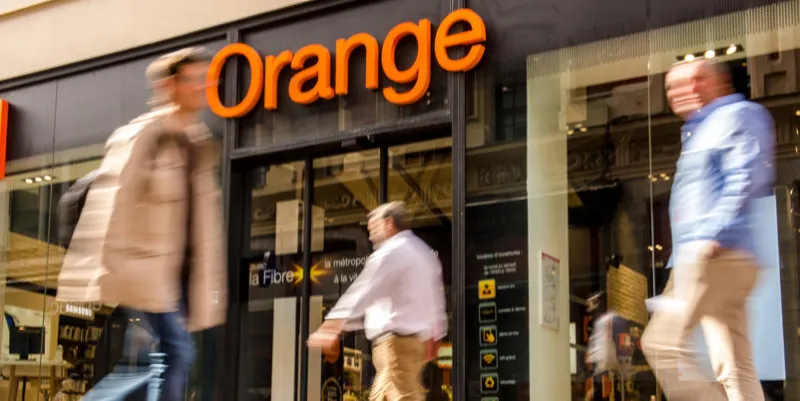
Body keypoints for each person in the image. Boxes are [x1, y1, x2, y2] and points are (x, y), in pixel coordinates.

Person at [56, 47, 227, 401]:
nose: (202, 87)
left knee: (164, 358)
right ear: (170, 85)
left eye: (205, 79)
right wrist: (108, 269)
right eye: (192, 79)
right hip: (145, 268)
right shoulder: (143, 135)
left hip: (179, 276)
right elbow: (111, 207)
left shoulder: (199, 142)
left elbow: (205, 229)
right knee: (177, 352)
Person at [641, 59, 775, 401]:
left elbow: (745, 174)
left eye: (691, 81)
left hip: (713, 254)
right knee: (734, 365)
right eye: (671, 87)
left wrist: (716, 234)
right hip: (718, 254)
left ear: (714, 82)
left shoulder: (735, 116)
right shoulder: (704, 129)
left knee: (661, 344)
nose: (680, 93)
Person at [307, 201, 447, 401]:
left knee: (403, 397)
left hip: (395, 347)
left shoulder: (391, 251)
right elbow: (435, 300)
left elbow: (364, 291)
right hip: (414, 347)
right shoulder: (423, 254)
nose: (370, 233)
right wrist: (436, 334)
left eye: (373, 226)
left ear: (389, 223)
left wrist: (332, 326)